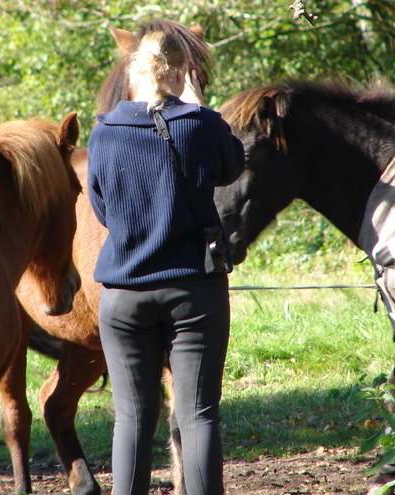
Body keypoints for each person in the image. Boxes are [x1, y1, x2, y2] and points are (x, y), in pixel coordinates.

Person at [87, 29, 244, 495]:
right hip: (194, 290)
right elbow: (232, 166)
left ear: (133, 72)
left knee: (132, 419)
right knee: (198, 415)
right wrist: (199, 108)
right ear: (183, 72)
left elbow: (103, 211)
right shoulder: (199, 124)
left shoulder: (103, 132)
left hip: (122, 295)